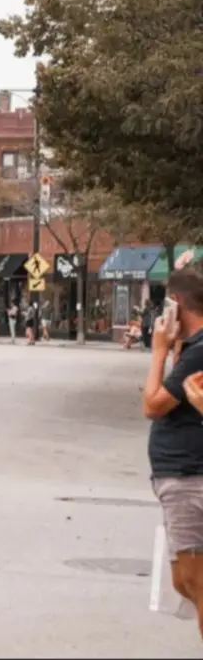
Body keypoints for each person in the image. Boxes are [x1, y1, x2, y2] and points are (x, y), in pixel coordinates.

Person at [142, 267, 203, 639]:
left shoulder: (199, 352)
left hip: (188, 476)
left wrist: (159, 351)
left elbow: (152, 404)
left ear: (176, 304)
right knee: (185, 580)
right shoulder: (192, 349)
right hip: (180, 474)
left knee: (194, 581)